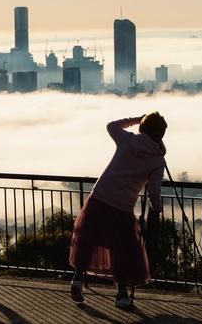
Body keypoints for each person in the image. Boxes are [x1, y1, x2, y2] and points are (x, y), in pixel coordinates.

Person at [69, 112, 167, 308]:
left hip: (99, 196)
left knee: (88, 239)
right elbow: (154, 193)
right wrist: (157, 209)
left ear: (143, 127)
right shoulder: (157, 160)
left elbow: (111, 125)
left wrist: (137, 119)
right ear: (160, 135)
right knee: (123, 250)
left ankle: (78, 279)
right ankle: (122, 295)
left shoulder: (128, 140)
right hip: (122, 207)